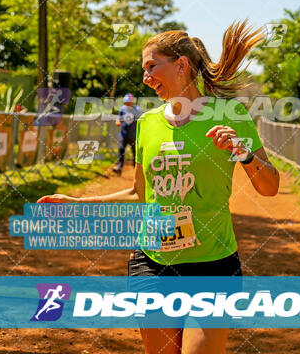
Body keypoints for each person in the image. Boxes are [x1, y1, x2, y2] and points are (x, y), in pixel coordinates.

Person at [37, 20, 280, 354]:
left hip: (213, 266)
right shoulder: (147, 123)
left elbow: (269, 188)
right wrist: (78, 203)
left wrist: (243, 152)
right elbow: (140, 193)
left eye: (152, 67)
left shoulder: (229, 114)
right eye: (143, 69)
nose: (146, 78)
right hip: (152, 263)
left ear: (181, 65)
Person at [113, 93, 142, 173]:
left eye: (128, 102)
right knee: (121, 149)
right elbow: (119, 118)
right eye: (126, 102)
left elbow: (141, 120)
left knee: (135, 152)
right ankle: (119, 167)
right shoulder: (123, 109)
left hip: (134, 135)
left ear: (132, 102)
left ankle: (136, 168)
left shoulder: (137, 110)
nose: (127, 104)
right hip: (123, 134)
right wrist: (118, 122)